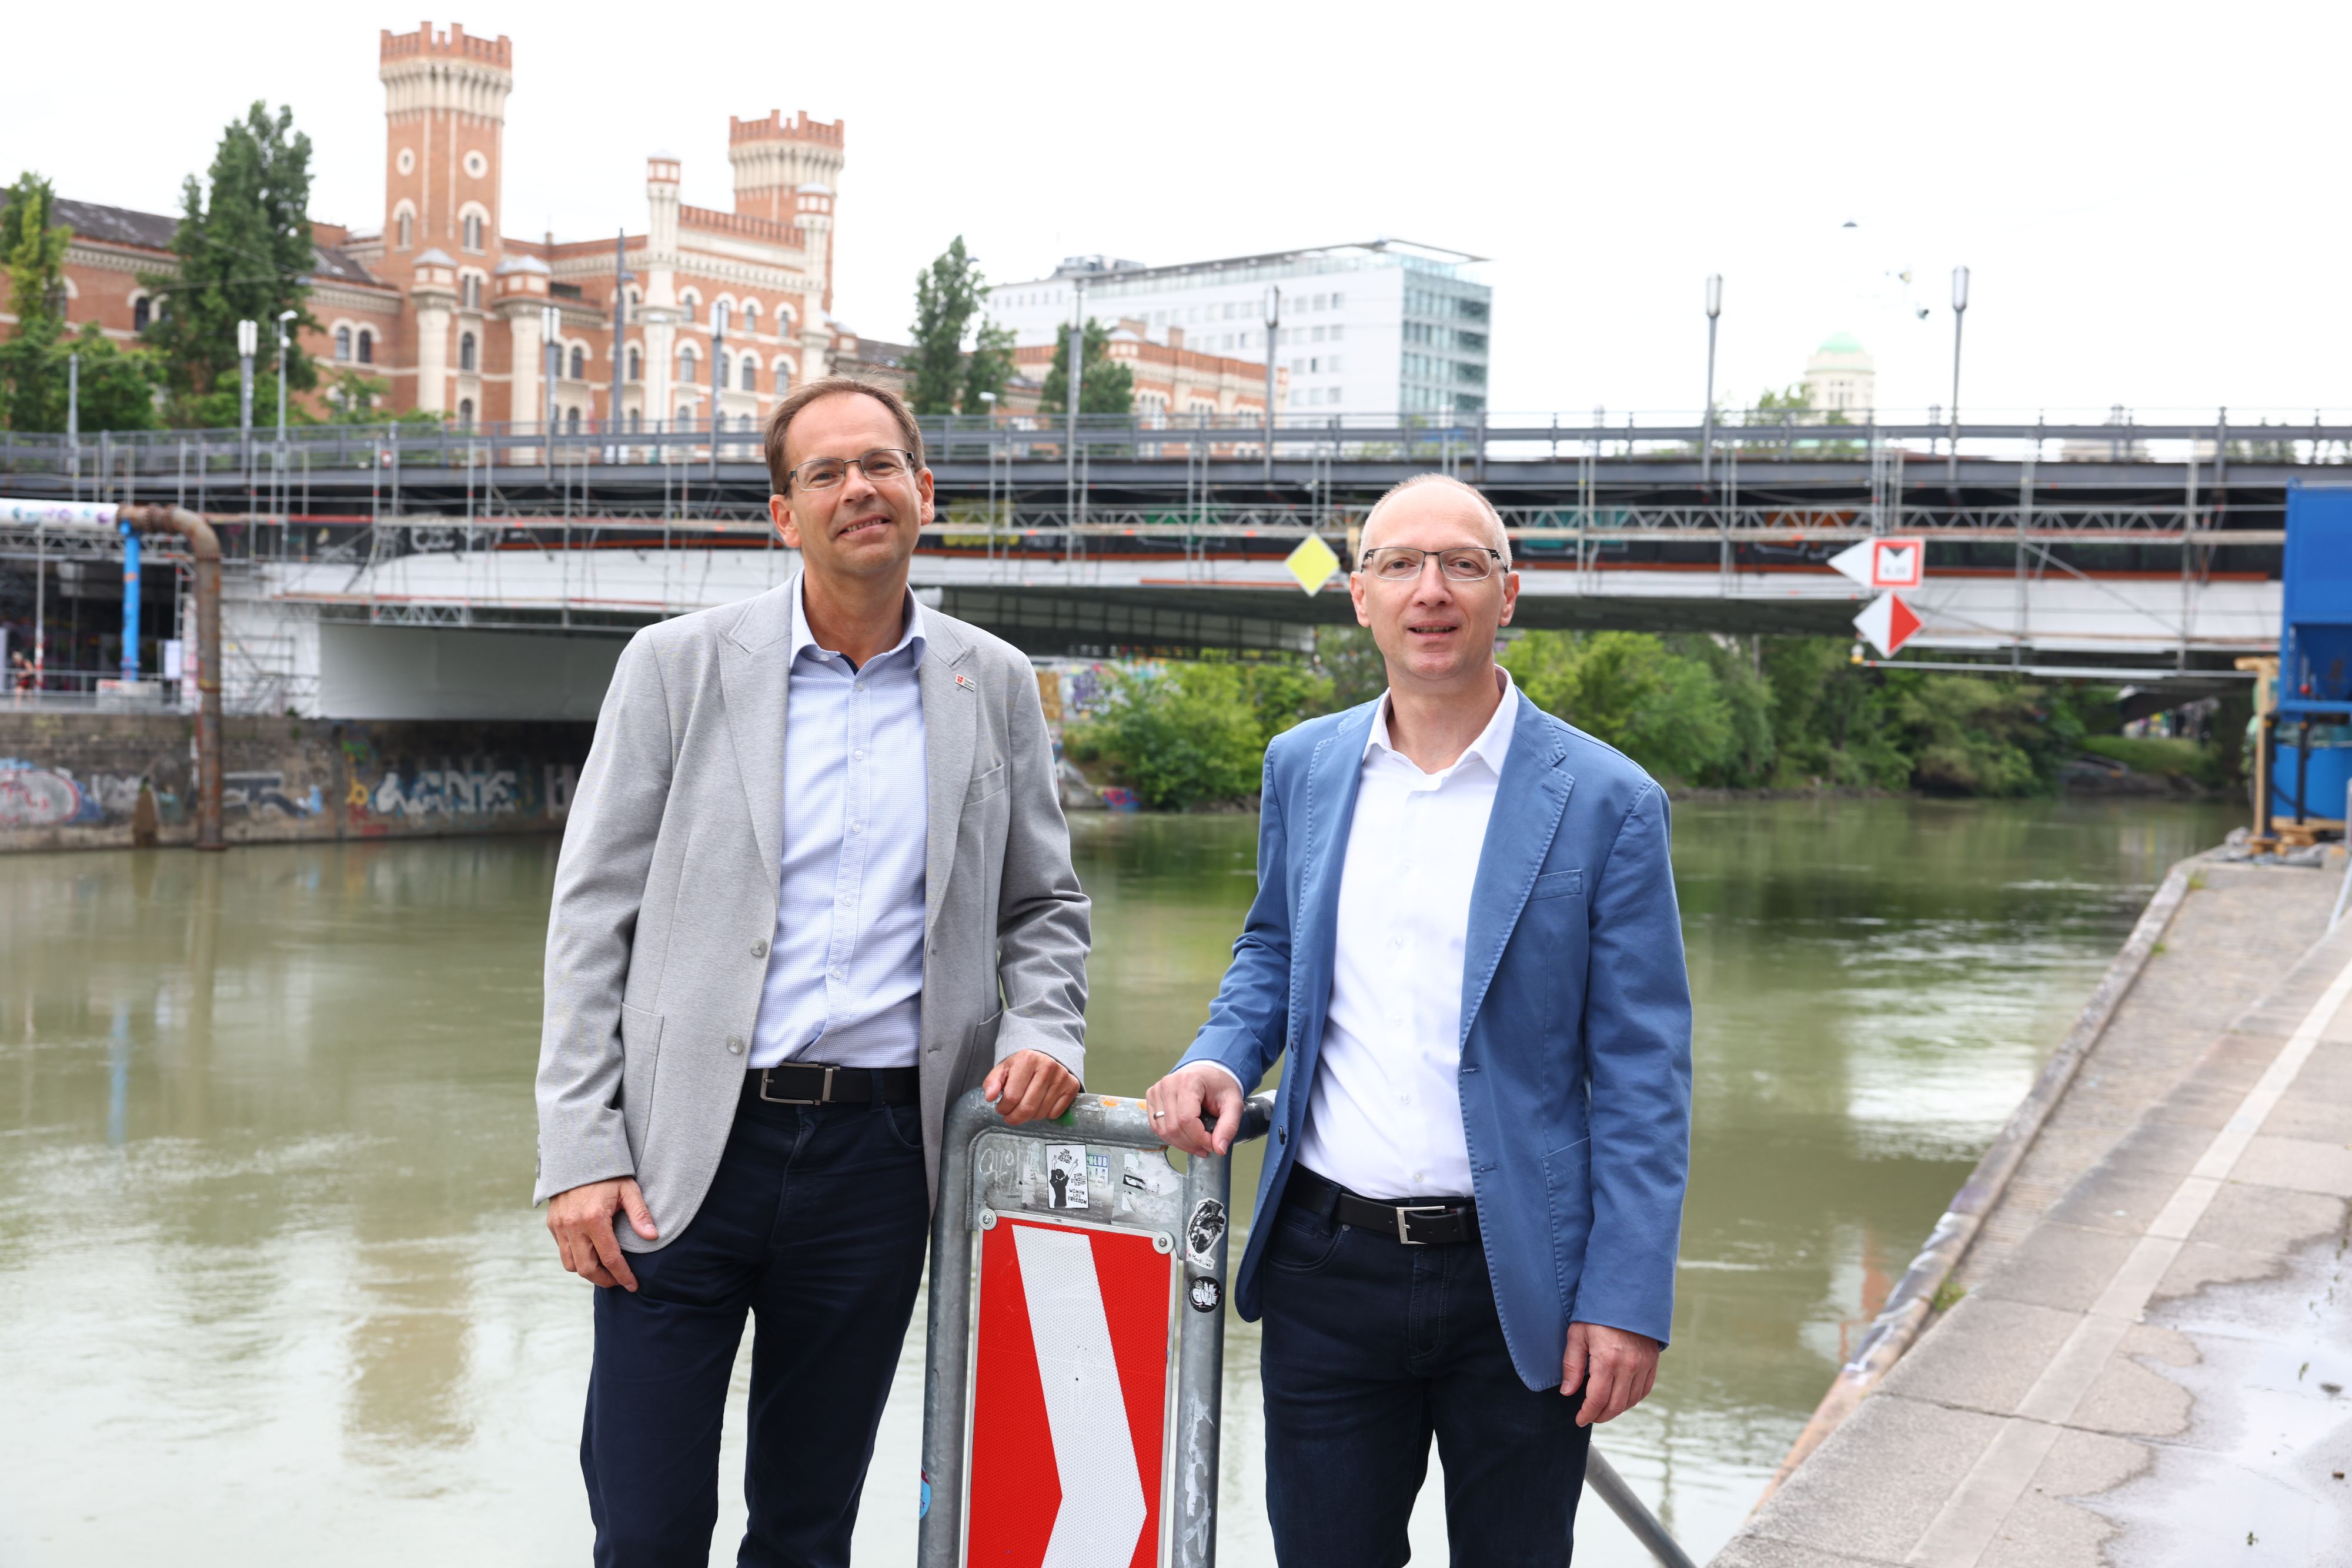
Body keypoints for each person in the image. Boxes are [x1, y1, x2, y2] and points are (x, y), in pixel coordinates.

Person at [536, 376, 1091, 1567]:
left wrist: (1044, 1025)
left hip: (879, 1166)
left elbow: (1042, 903)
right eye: (826, 473)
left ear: (924, 492)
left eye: (881, 465)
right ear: (781, 513)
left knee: (808, 1525)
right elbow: (592, 915)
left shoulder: (988, 682)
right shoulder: (674, 666)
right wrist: (580, 1146)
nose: (859, 490)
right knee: (644, 1523)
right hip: (683, 1150)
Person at [1145, 473, 1692, 1566]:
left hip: (1520, 1278)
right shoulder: (1304, 765)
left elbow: (1644, 1073)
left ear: (1510, 593)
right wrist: (1220, 1051)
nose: (1430, 591)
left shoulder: (1607, 799)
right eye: (1399, 564)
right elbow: (1274, 948)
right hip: (1326, 1261)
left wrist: (1627, 1296)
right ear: (1361, 597)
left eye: (1462, 564)